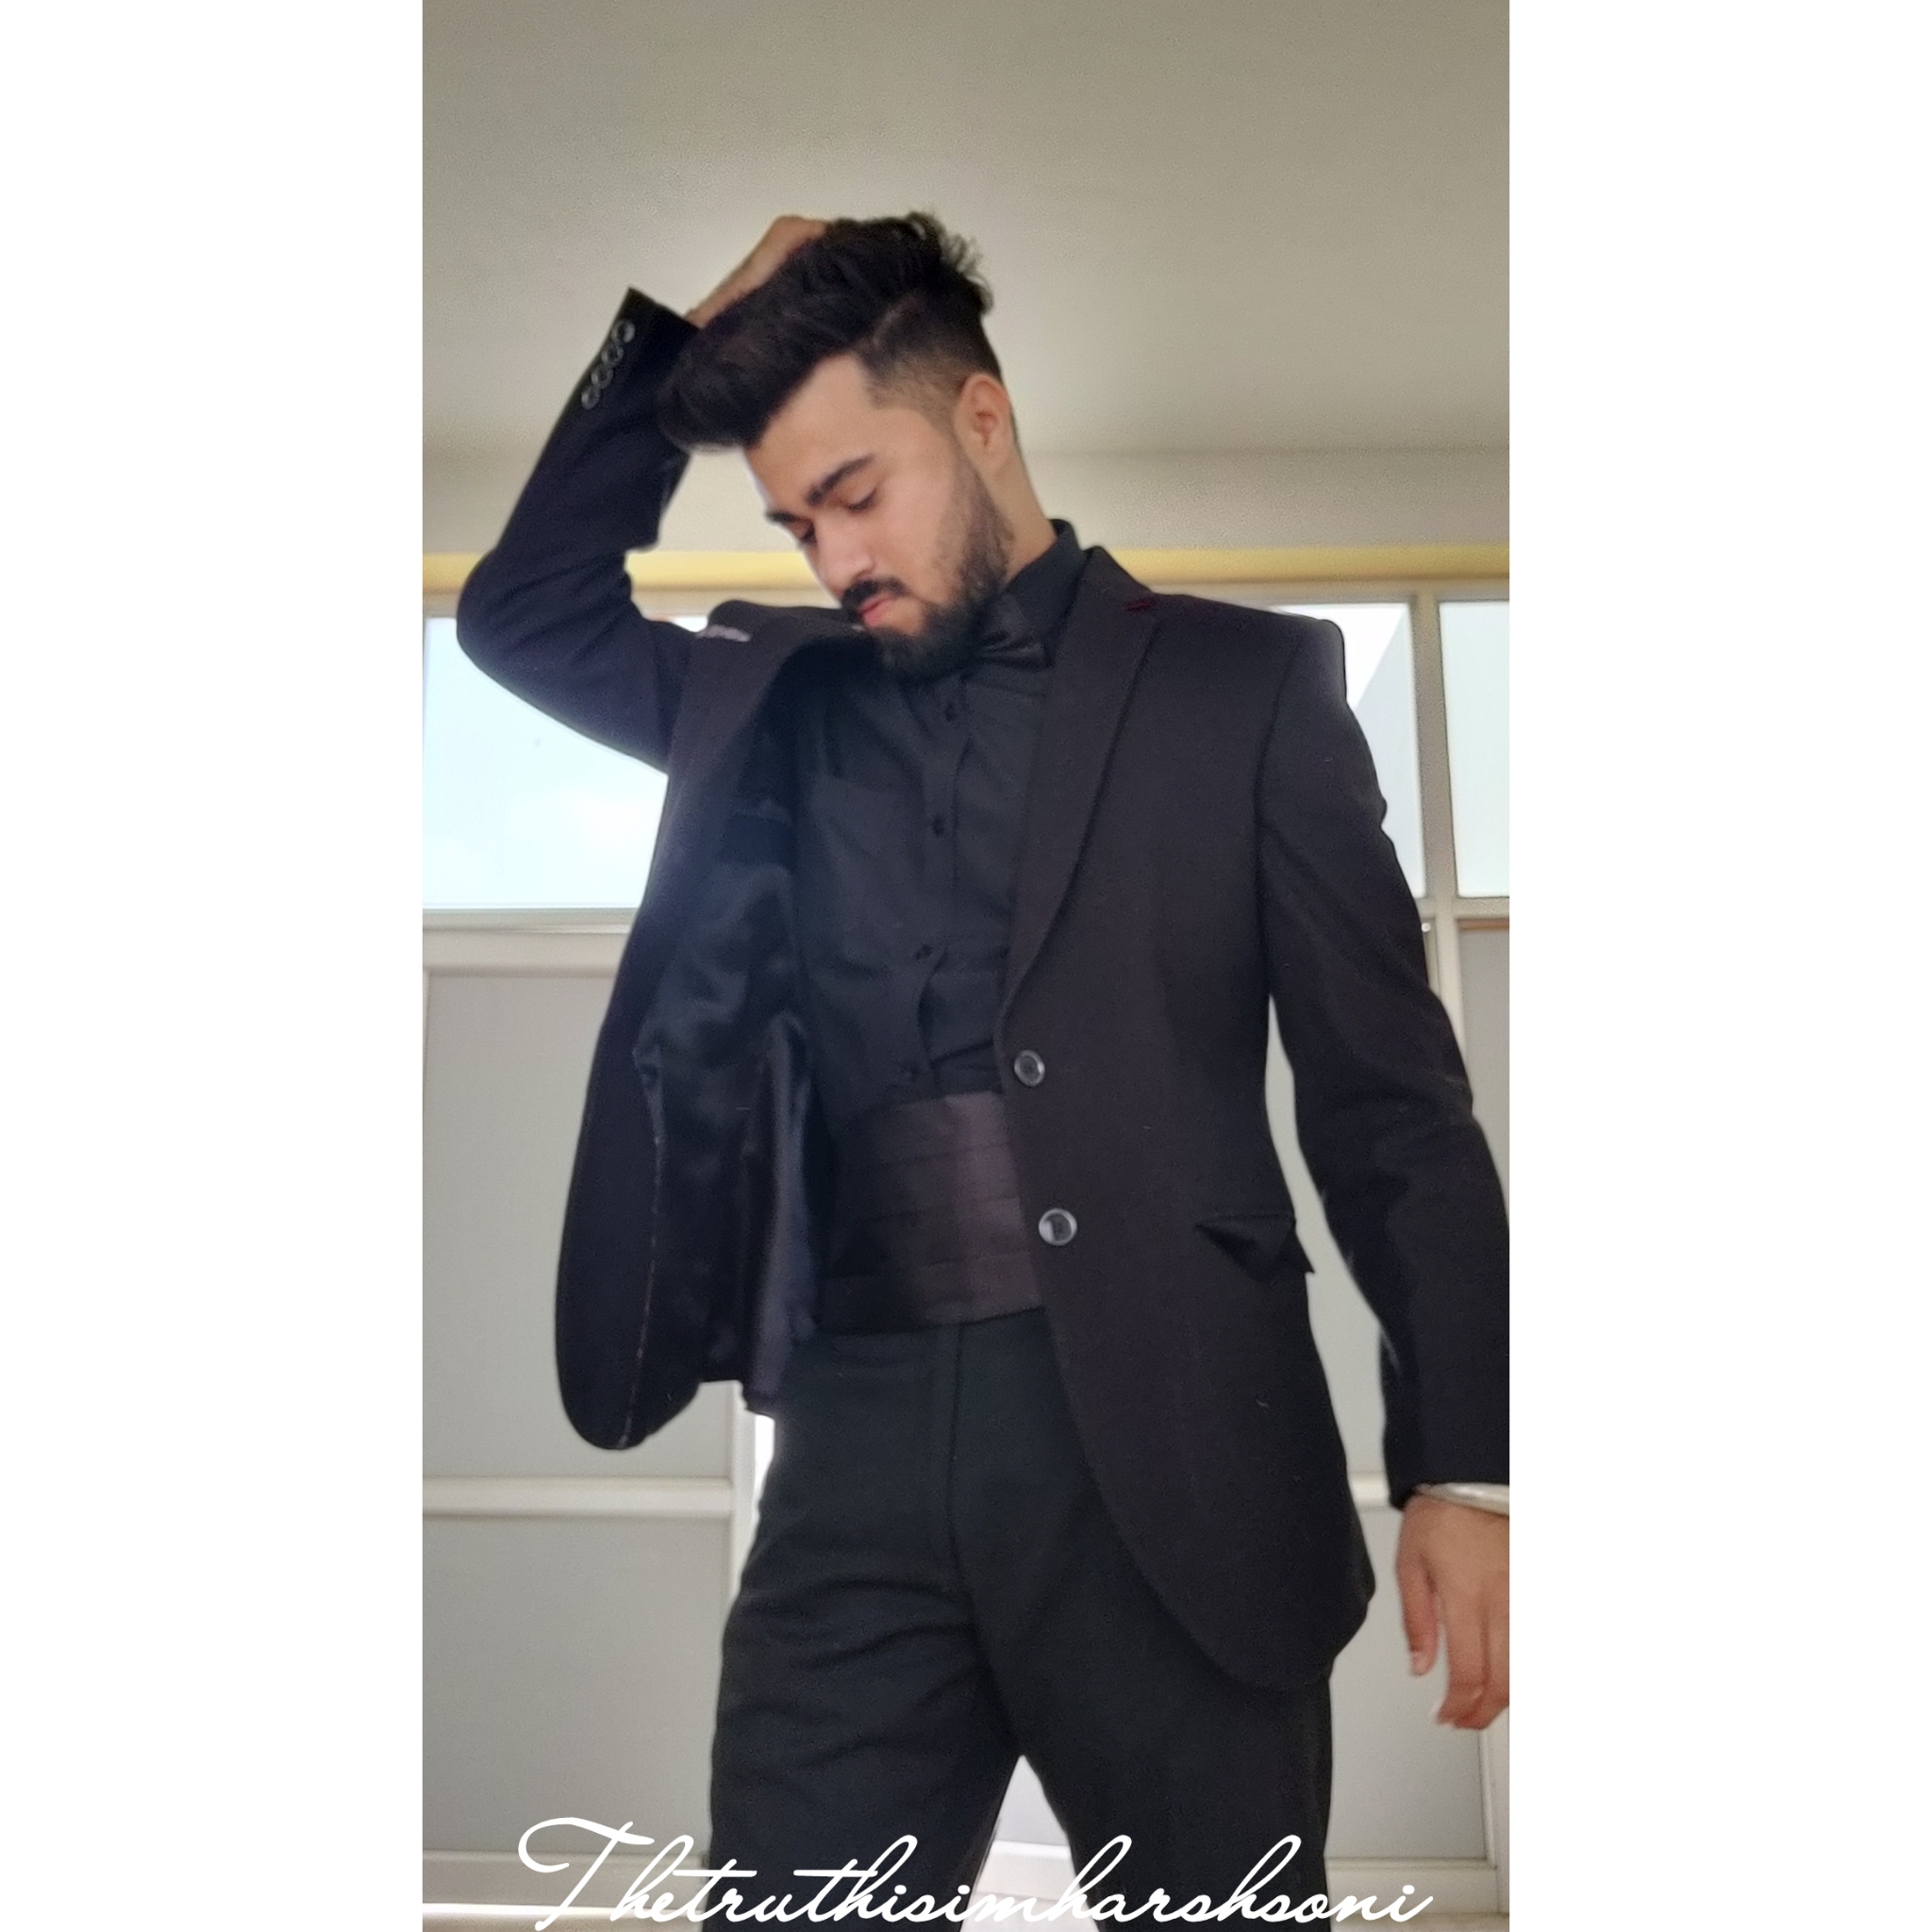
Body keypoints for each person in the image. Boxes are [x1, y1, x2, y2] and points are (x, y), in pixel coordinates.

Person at [456, 212, 1508, 1921]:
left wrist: (1466, 1461)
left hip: (1174, 1448)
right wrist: (679, 345)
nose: (833, 557)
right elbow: (521, 616)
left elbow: (1392, 1106)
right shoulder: (769, 701)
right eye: (798, 526)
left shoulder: (1244, 686)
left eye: (856, 494)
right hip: (854, 1447)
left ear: (983, 419)